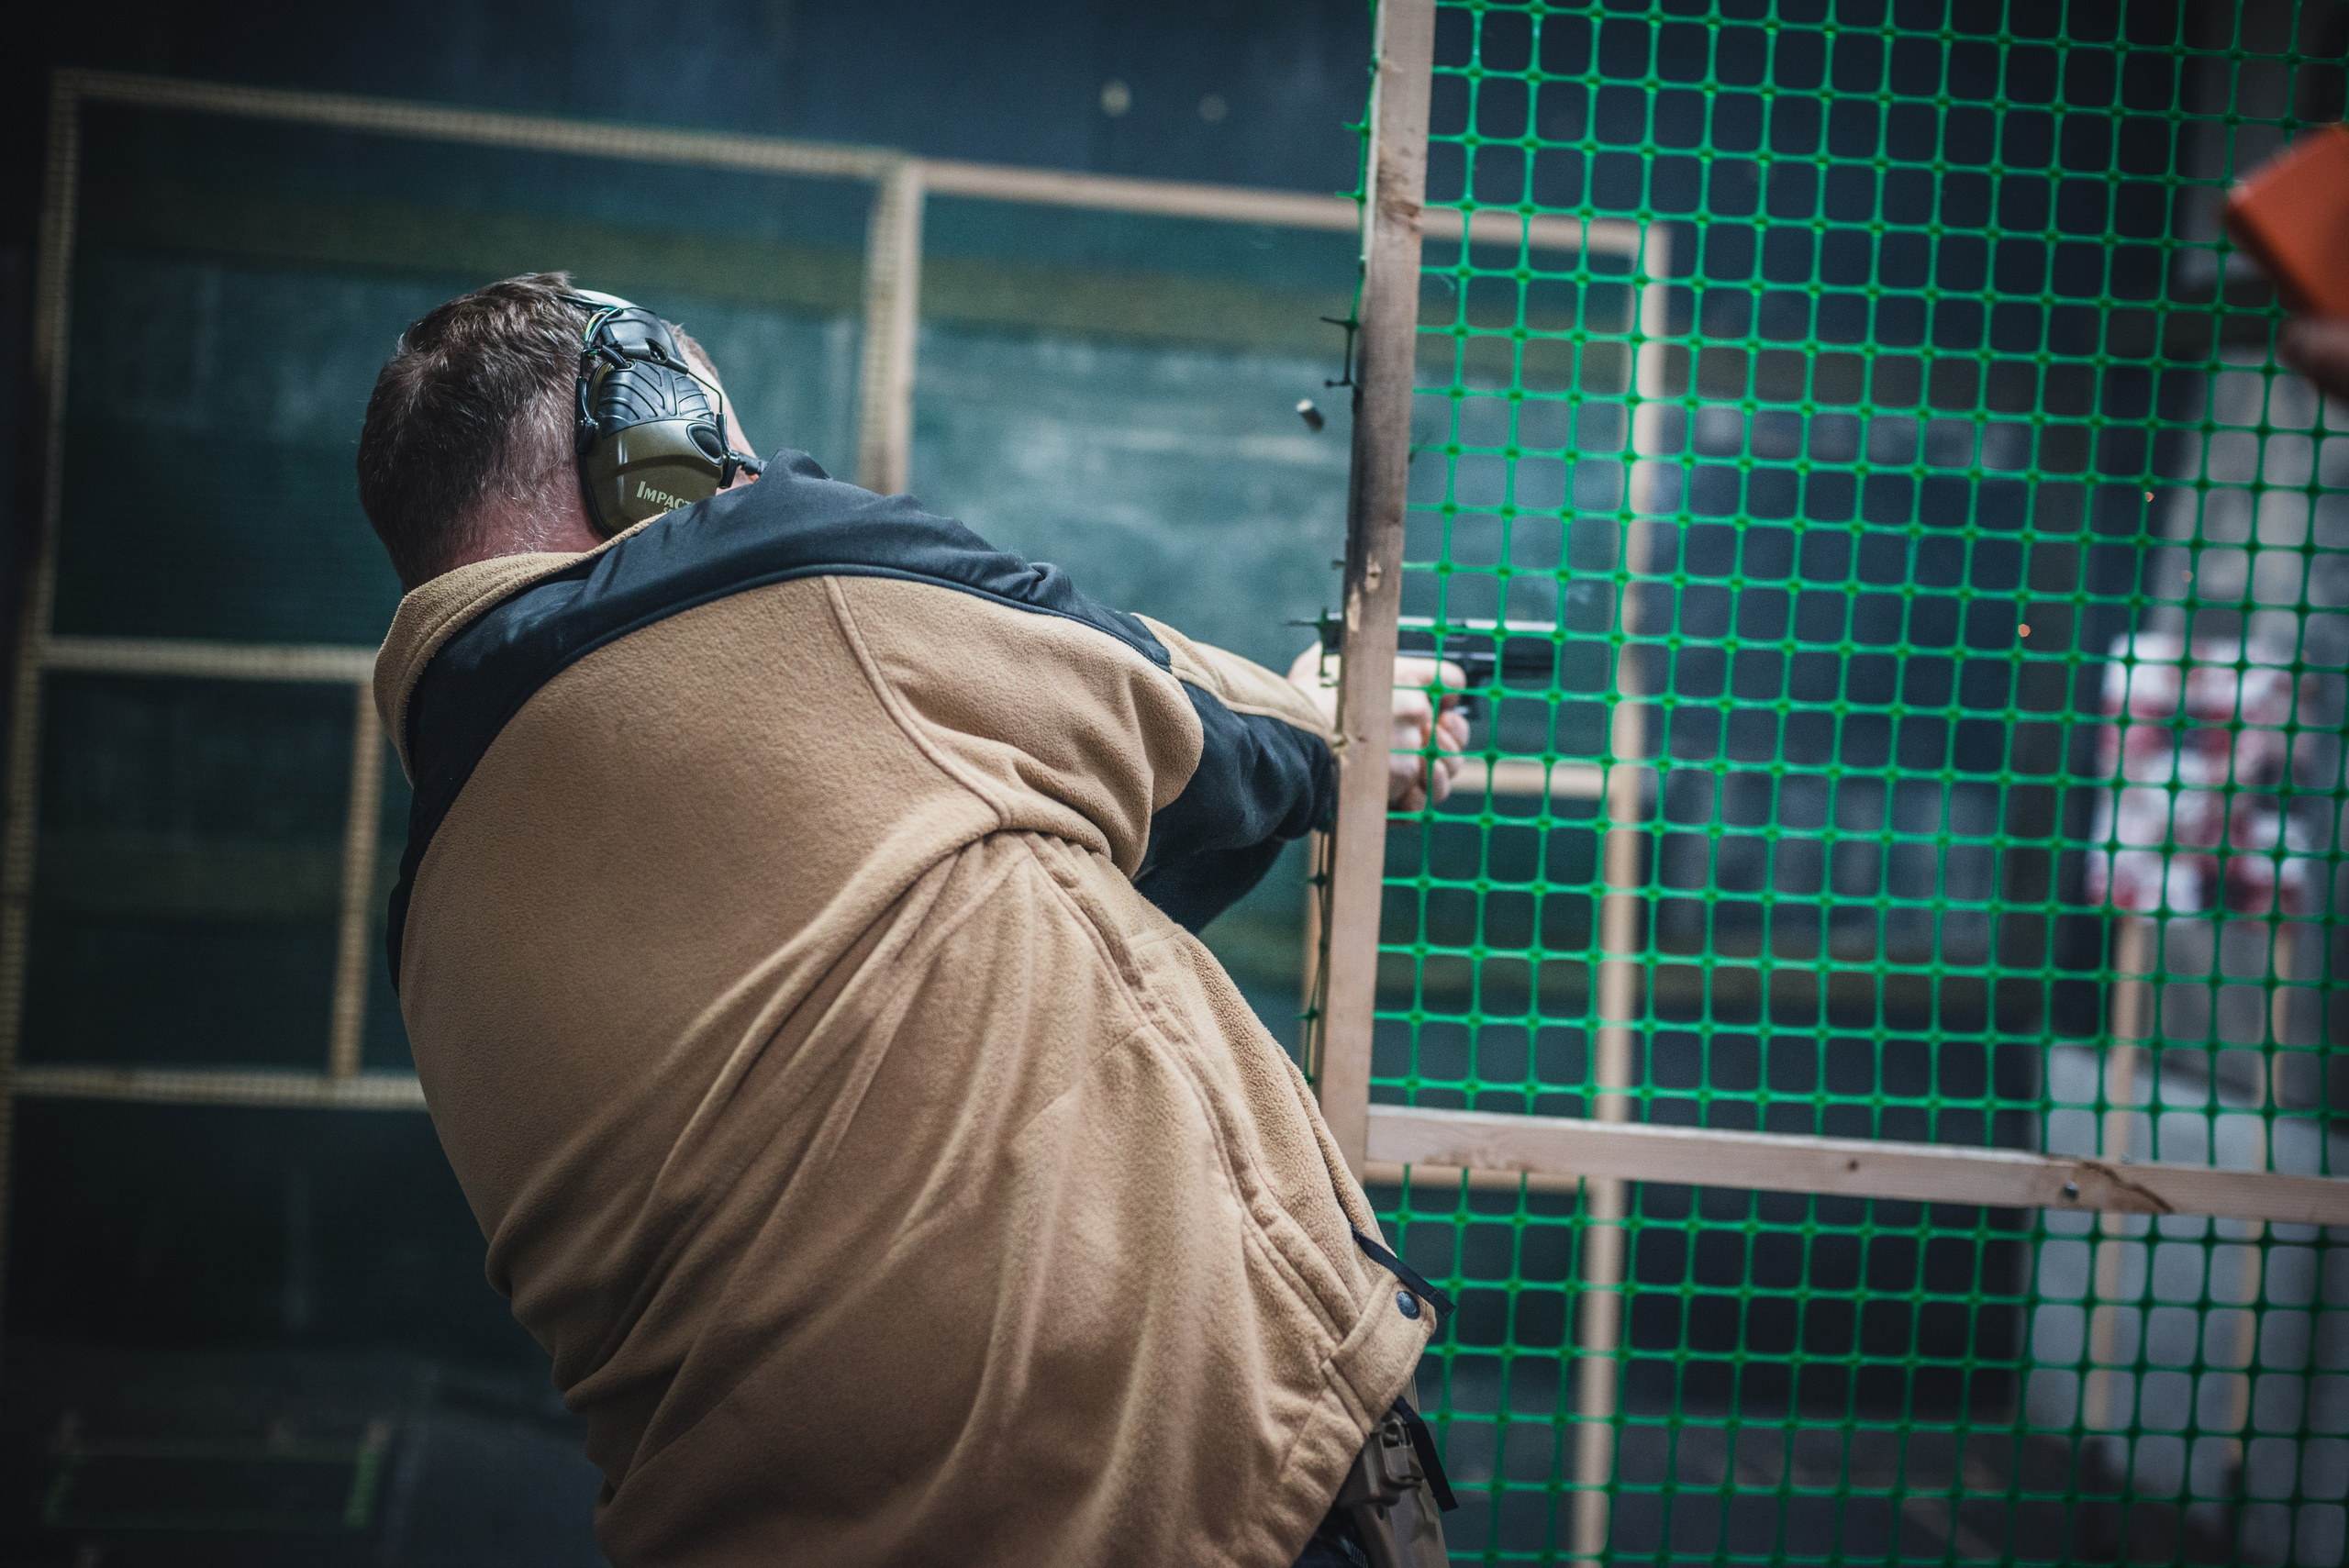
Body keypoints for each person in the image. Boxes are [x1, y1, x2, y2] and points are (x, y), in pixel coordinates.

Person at [355, 272, 1469, 1568]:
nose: (738, 479)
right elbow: (1179, 739)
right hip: (1201, 1509)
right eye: (712, 444)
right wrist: (1336, 726)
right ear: (641, 447)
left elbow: (934, 907)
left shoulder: (434, 928)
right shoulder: (783, 578)